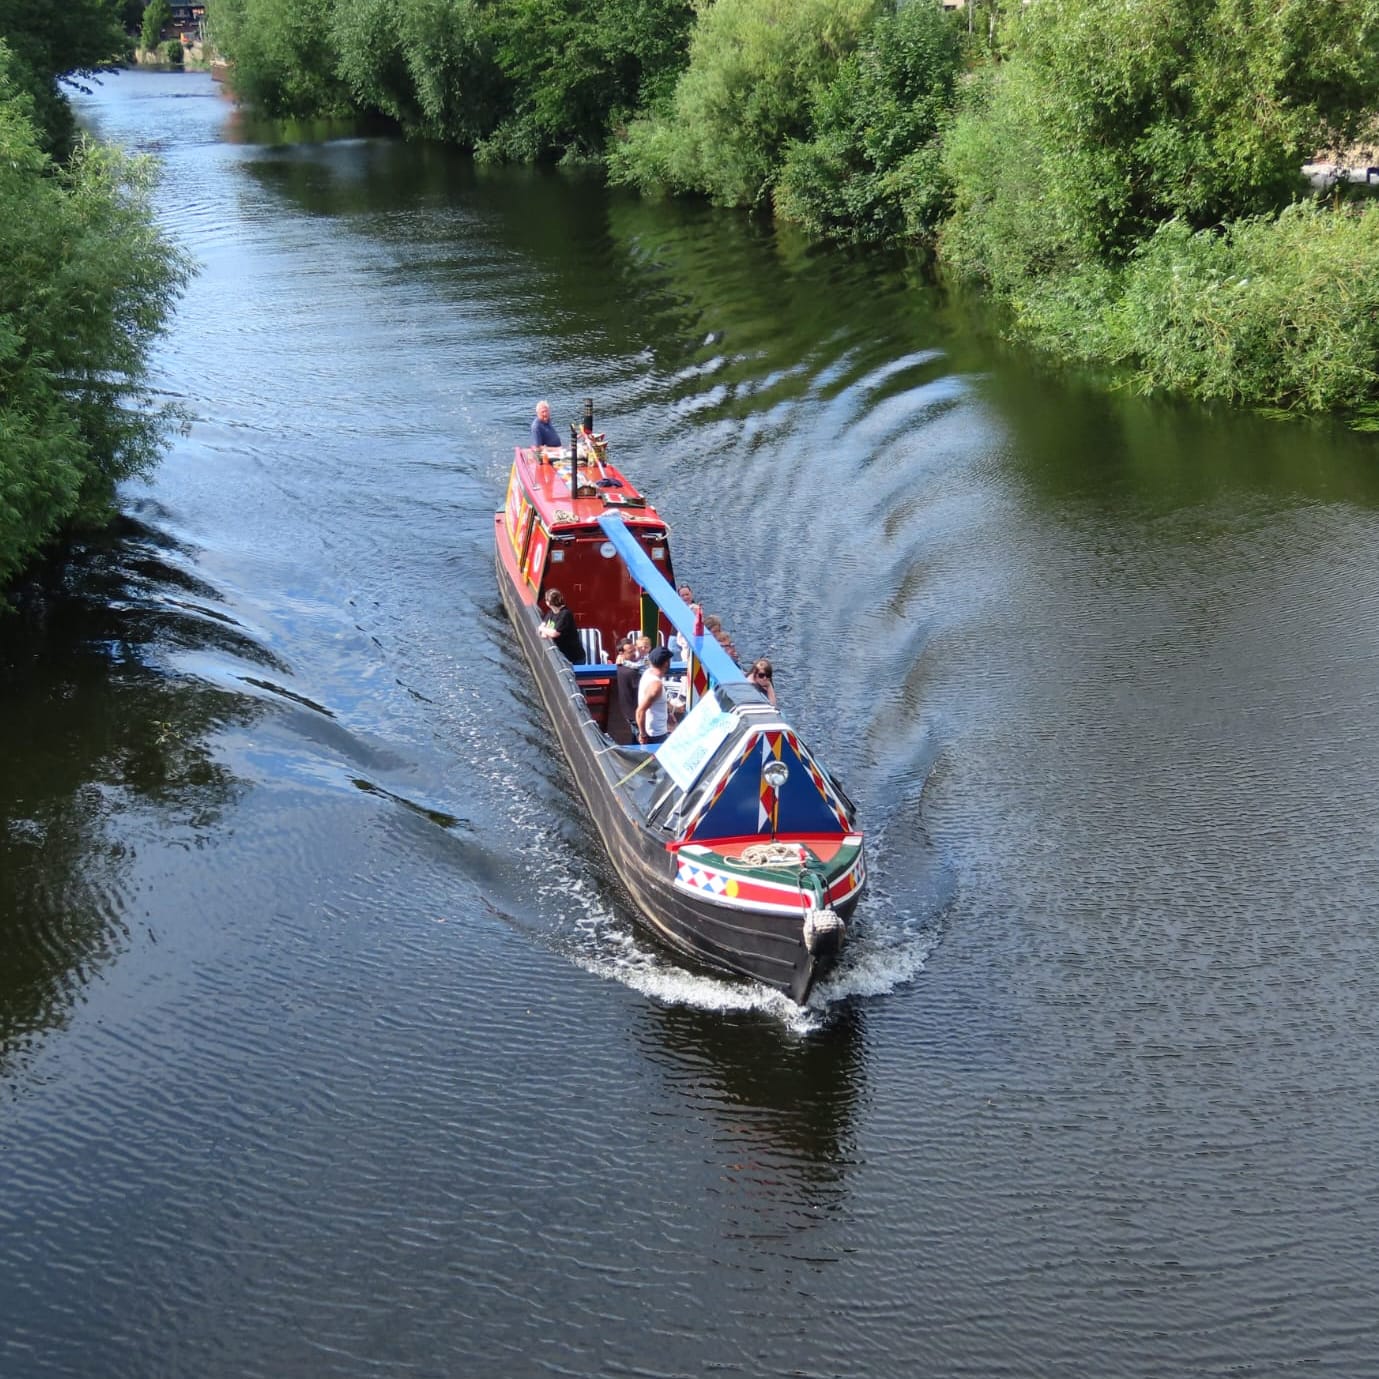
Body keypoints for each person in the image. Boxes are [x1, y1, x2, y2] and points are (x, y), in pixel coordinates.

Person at [636, 646, 672, 746]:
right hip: (656, 735)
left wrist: (670, 712)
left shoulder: (648, 673)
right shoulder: (656, 686)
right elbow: (640, 711)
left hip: (655, 732)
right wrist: (642, 735)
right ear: (666, 663)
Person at [538, 588, 582, 663]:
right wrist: (544, 630)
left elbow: (554, 633)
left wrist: (542, 629)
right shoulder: (551, 612)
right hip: (561, 656)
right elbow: (543, 633)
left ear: (548, 603)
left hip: (573, 658)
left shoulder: (565, 614)